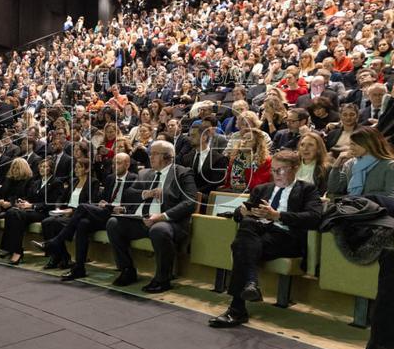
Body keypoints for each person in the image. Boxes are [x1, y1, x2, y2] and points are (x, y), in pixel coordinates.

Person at [208, 150, 322, 328]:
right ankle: (250, 286)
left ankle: (238, 308)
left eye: (281, 170)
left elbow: (314, 217)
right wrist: (242, 211)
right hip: (258, 234)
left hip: (286, 237)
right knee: (246, 227)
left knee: (240, 245)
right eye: (274, 170)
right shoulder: (262, 189)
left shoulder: (307, 189)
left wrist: (278, 215)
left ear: (295, 168)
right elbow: (239, 213)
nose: (276, 175)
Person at [105, 140, 198, 293]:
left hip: (168, 222)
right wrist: (145, 193)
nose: (150, 157)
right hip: (141, 219)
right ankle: (127, 269)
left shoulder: (182, 173)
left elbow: (190, 202)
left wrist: (162, 216)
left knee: (158, 230)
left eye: (154, 153)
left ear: (168, 157)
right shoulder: (145, 173)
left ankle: (163, 279)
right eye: (150, 153)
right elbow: (128, 195)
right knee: (113, 223)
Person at [35, 152, 136, 280]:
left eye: (118, 163)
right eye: (113, 163)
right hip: (105, 213)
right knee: (82, 223)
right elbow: (102, 200)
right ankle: (79, 268)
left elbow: (131, 204)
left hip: (120, 215)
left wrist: (111, 206)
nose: (114, 166)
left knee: (82, 207)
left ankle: (56, 241)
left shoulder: (134, 178)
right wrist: (103, 203)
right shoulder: (110, 178)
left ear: (127, 164)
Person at [0, 158, 57, 265]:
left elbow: (51, 203)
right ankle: (14, 249)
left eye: (45, 167)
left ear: (51, 169)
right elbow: (30, 197)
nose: (42, 169)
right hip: (31, 210)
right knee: (12, 212)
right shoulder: (37, 182)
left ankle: (16, 251)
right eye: (41, 166)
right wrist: (23, 202)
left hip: (44, 212)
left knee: (16, 213)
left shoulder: (56, 182)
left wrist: (32, 205)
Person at [327, 126, 394, 199]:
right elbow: (334, 189)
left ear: (368, 144)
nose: (350, 148)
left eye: (354, 144)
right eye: (350, 144)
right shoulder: (350, 164)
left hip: (376, 208)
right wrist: (337, 164)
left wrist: (362, 199)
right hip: (350, 207)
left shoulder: (390, 165)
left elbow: (393, 196)